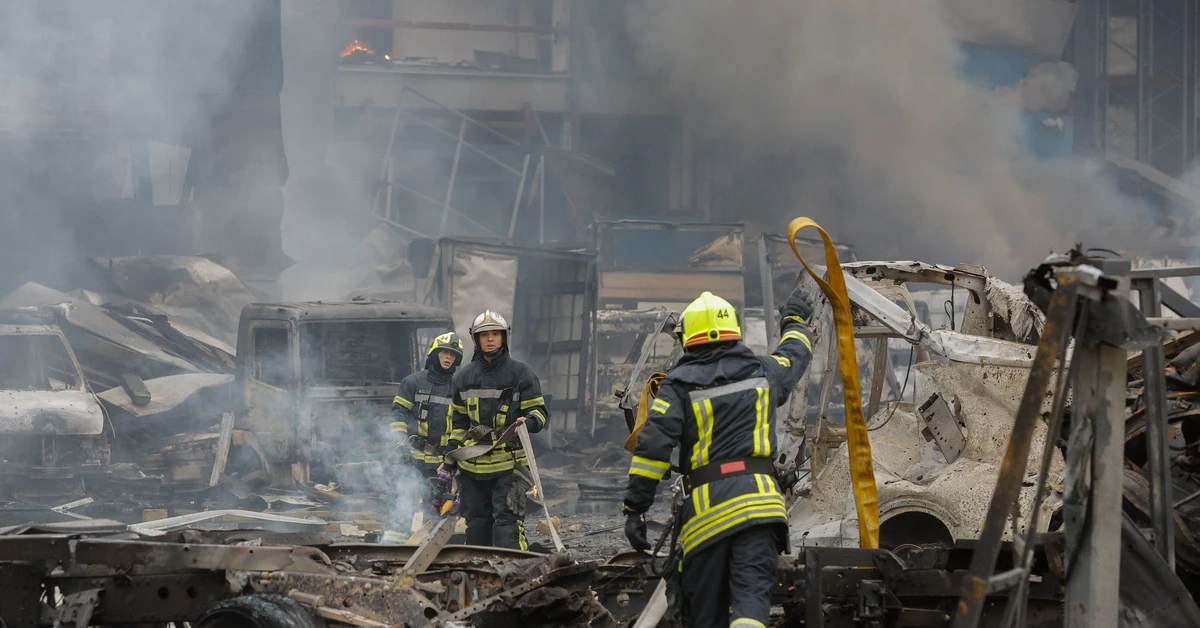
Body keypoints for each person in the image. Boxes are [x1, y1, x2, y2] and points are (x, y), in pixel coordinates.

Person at [622, 288, 816, 628]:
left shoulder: (678, 385)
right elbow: (796, 353)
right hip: (762, 511)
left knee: (704, 615)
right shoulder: (765, 372)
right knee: (751, 607)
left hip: (708, 518)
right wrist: (795, 320)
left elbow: (653, 449)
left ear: (688, 338)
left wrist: (635, 510)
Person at [443, 310, 548, 550]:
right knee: (477, 526)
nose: (490, 339)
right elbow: (458, 423)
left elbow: (540, 413)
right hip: (472, 466)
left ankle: (515, 577)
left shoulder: (522, 374)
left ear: (504, 338)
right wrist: (450, 457)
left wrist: (528, 422)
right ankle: (481, 579)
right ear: (476, 339)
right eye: (484, 335)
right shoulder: (464, 377)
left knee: (507, 527)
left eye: (495, 334)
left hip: (509, 465)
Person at [391, 332, 464, 478]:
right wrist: (400, 446)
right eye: (445, 352)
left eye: (453, 354)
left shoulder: (459, 388)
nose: (449, 357)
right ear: (435, 353)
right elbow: (398, 415)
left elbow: (461, 424)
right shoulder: (412, 382)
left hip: (443, 463)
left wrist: (453, 458)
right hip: (412, 459)